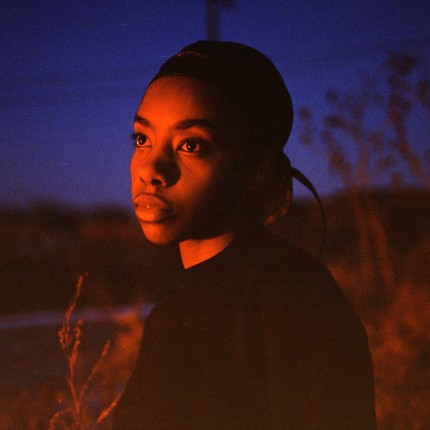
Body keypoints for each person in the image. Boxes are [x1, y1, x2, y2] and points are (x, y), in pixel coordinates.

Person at [113, 40, 376, 429]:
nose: (151, 169)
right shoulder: (174, 307)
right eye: (142, 139)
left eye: (190, 145)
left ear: (257, 169)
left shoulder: (290, 296)